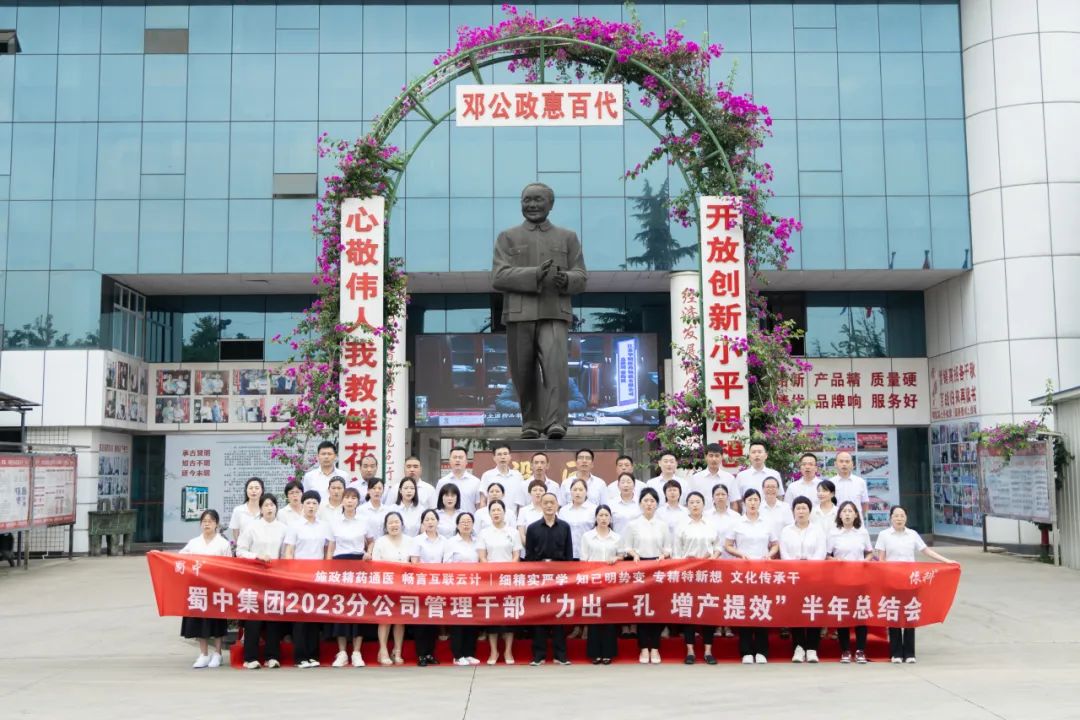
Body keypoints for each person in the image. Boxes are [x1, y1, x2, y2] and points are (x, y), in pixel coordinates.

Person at [491, 181, 587, 439]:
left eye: (538, 200)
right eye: (527, 200)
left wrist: (566, 279)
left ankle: (557, 422)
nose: (532, 205)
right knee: (522, 372)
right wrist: (534, 274)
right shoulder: (507, 237)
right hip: (518, 313)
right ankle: (531, 422)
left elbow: (581, 276)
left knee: (556, 369)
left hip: (554, 311)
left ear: (550, 204)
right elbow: (498, 276)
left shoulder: (567, 237)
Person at [875, 505, 956, 664]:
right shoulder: (884, 535)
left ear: (906, 518)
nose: (899, 518)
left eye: (902, 515)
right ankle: (896, 653)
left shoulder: (912, 534)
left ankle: (909, 653)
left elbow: (926, 551)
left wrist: (946, 561)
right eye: (896, 515)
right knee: (893, 615)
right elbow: (881, 560)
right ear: (890, 518)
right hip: (891, 580)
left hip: (910, 580)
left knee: (909, 614)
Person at [724, 489, 778, 664]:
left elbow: (775, 545)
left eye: (755, 500)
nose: (753, 503)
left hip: (762, 572)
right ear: (744, 502)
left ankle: (762, 650)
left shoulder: (767, 523)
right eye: (749, 500)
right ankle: (746, 650)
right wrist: (740, 554)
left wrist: (769, 554)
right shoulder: (737, 523)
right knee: (745, 609)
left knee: (761, 607)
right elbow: (727, 545)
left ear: (760, 502)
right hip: (743, 572)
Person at [235, 494, 288, 669]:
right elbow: (240, 551)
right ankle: (250, 658)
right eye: (265, 505)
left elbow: (286, 553)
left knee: (273, 617)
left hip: (275, 577)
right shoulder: (252, 527)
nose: (269, 508)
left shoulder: (283, 528)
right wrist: (256, 556)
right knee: (254, 618)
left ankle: (272, 656)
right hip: (254, 576)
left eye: (272, 505)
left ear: (276, 507)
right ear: (261, 508)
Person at [620, 487, 672, 664]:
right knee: (642, 609)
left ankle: (655, 647)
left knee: (656, 609)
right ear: (640, 503)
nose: (649, 504)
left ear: (657, 504)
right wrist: (633, 554)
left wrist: (664, 555)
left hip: (658, 568)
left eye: (652, 501)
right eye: (645, 501)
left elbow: (669, 548)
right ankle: (643, 648)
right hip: (639, 568)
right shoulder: (633, 525)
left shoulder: (663, 525)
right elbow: (626, 546)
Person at [283, 490, 333, 668]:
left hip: (317, 575)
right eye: (308, 503)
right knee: (300, 617)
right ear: (302, 505)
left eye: (314, 503)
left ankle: (313, 655)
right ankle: (300, 656)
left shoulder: (324, 526)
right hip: (299, 575)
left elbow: (329, 548)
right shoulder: (295, 526)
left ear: (318, 506)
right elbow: (289, 551)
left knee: (314, 615)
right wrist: (291, 573)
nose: (311, 506)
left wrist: (327, 569)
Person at [178, 509, 232, 668]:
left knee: (217, 620)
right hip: (198, 587)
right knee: (199, 620)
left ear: (216, 524)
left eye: (210, 521)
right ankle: (203, 654)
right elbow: (180, 558)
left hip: (216, 588)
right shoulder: (194, 542)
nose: (207, 524)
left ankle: (218, 653)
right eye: (204, 521)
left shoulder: (223, 543)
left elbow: (229, 565)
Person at [525, 493, 573, 665]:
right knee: (540, 615)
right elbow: (529, 556)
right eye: (545, 503)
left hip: (559, 576)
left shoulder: (565, 527)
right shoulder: (532, 528)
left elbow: (569, 554)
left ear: (557, 504)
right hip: (539, 576)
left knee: (559, 615)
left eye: (552, 502)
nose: (549, 505)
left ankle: (560, 655)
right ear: (541, 505)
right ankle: (539, 655)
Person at [674, 491, 721, 665]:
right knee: (689, 612)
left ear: (703, 504)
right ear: (687, 505)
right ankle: (690, 650)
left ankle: (708, 650)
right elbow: (676, 553)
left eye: (698, 502)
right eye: (691, 502)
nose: (695, 505)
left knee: (708, 610)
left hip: (708, 574)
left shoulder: (710, 524)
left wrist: (713, 557)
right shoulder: (681, 526)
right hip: (688, 574)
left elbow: (718, 546)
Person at [324, 487, 369, 668]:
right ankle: (342, 652)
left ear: (358, 501)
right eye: (347, 498)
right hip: (340, 565)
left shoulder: (364, 521)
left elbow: (371, 541)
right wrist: (329, 569)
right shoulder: (334, 521)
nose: (350, 501)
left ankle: (357, 652)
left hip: (359, 564)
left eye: (353, 498)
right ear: (342, 500)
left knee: (358, 606)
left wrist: (368, 552)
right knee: (341, 607)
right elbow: (330, 547)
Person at [780, 496, 828, 663]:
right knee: (796, 612)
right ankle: (798, 648)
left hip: (814, 577)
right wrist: (796, 566)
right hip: (793, 578)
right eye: (798, 508)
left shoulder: (818, 530)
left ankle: (812, 648)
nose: (801, 511)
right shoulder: (786, 531)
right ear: (793, 511)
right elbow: (784, 553)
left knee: (813, 610)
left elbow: (821, 552)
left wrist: (808, 565)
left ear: (809, 511)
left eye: (804, 508)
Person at [477, 500, 523, 665]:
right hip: (491, 580)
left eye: (499, 510)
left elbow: (516, 556)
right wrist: (493, 571)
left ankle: (508, 650)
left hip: (509, 579)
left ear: (505, 513)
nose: (496, 513)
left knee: (508, 614)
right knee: (493, 615)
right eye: (493, 510)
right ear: (489, 514)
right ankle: (494, 651)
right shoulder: (484, 533)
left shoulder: (513, 532)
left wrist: (507, 571)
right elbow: (482, 557)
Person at [828, 501, 874, 663]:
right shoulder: (833, 533)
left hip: (860, 579)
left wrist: (865, 561)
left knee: (860, 614)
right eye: (844, 511)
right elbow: (827, 555)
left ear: (856, 515)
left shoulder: (862, 533)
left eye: (850, 511)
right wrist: (835, 560)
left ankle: (860, 650)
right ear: (840, 515)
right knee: (843, 614)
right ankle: (845, 650)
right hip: (840, 580)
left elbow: (869, 553)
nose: (847, 514)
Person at [581, 505, 620, 664]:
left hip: (611, 581)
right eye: (600, 515)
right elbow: (583, 559)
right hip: (593, 581)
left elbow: (622, 556)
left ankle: (608, 653)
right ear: (596, 518)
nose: (603, 518)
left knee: (609, 617)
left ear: (610, 518)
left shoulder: (617, 537)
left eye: (606, 515)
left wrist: (617, 558)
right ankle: (595, 653)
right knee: (594, 616)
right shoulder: (587, 536)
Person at [371, 512, 411, 665]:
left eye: (396, 522)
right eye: (390, 523)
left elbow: (414, 563)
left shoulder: (410, 541)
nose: (394, 525)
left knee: (400, 620)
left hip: (404, 585)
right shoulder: (380, 541)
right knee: (385, 619)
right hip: (385, 585)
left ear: (402, 524)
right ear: (386, 526)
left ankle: (397, 650)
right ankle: (383, 650)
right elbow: (375, 565)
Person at [442, 512, 482, 665]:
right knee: (458, 620)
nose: (466, 524)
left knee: (472, 619)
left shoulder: (477, 542)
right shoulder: (451, 542)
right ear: (457, 525)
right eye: (463, 522)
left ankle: (469, 653)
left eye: (469, 521)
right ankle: (457, 655)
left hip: (474, 586)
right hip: (457, 586)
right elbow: (446, 564)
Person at [409, 509, 446, 666]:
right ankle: (421, 654)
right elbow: (414, 562)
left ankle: (430, 653)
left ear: (438, 522)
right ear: (422, 523)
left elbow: (446, 562)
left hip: (438, 584)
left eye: (433, 519)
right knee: (421, 620)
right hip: (422, 583)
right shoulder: (417, 540)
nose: (430, 522)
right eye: (427, 519)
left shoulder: (444, 541)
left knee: (434, 619)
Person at [735, 441, 783, 511]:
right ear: (749, 456)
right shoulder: (741, 476)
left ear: (766, 455)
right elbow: (738, 500)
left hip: (770, 514)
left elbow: (779, 496)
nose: (757, 455)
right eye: (753, 452)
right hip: (749, 515)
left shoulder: (775, 474)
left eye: (760, 452)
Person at [480, 444, 526, 514]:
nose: (503, 457)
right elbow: (483, 501)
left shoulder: (517, 476)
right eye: (499, 454)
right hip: (492, 516)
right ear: (494, 458)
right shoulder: (487, 475)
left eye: (505, 454)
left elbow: (521, 501)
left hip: (512, 517)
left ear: (510, 456)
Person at [558, 477, 596, 559]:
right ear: (570, 492)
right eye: (574, 490)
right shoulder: (563, 511)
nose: (577, 492)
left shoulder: (594, 510)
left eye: (581, 490)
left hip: (589, 554)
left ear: (586, 492)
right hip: (567, 554)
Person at [437, 446, 482, 512]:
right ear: (449, 461)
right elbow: (438, 504)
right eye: (455, 457)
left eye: (460, 457)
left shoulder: (476, 482)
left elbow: (478, 506)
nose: (457, 460)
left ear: (466, 461)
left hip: (469, 518)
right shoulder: (442, 482)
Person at [829, 451, 870, 518]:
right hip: (836, 521)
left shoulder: (860, 482)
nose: (844, 464)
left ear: (852, 464)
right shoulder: (830, 482)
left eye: (847, 461)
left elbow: (864, 503)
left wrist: (859, 518)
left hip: (856, 521)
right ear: (835, 464)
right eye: (841, 461)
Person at [358, 477, 392, 549]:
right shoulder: (360, 510)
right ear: (368, 490)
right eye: (374, 488)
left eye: (380, 488)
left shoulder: (388, 510)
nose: (377, 491)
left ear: (383, 491)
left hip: (385, 548)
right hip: (366, 548)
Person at [229, 477, 265, 542]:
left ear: (262, 490)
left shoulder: (266, 510)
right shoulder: (238, 510)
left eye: (257, 488)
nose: (253, 491)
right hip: (243, 547)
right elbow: (235, 533)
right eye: (250, 488)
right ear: (246, 490)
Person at [516, 479, 548, 548]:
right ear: (530, 492)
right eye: (534, 490)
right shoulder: (523, 511)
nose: (538, 493)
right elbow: (521, 534)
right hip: (528, 549)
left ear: (545, 493)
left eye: (541, 490)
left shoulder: (550, 510)